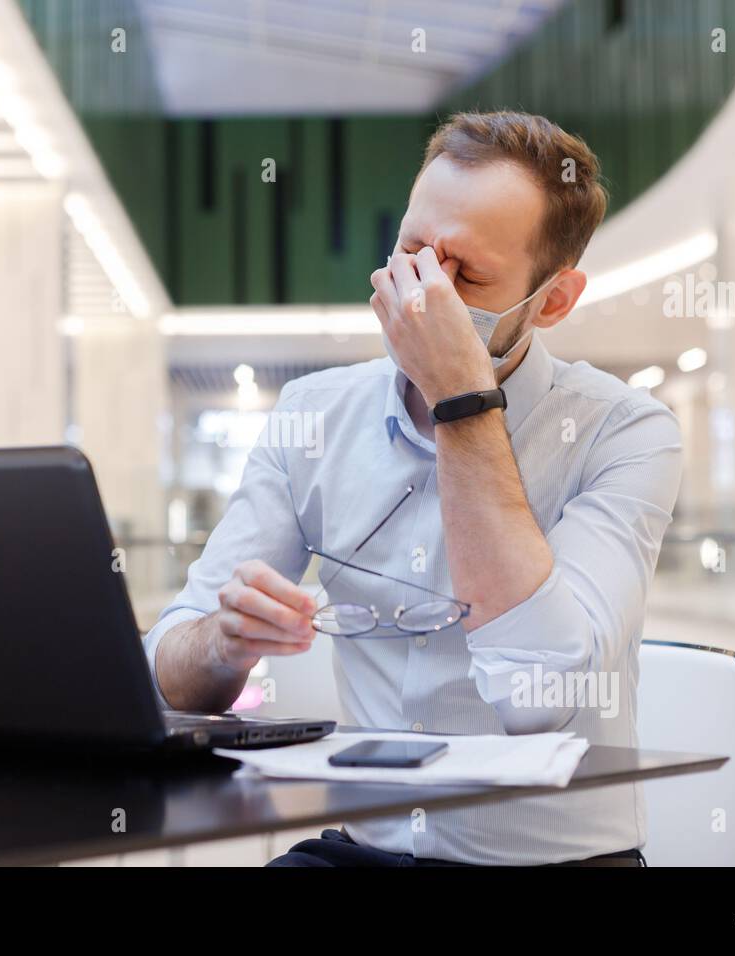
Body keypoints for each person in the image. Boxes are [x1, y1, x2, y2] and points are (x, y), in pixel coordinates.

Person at [144, 110, 682, 866]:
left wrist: (462, 398)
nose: (423, 291)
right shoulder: (315, 415)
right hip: (367, 847)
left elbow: (535, 695)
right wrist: (223, 642)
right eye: (410, 252)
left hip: (553, 861)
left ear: (552, 301)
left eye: (468, 273)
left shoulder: (625, 431)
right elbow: (168, 668)